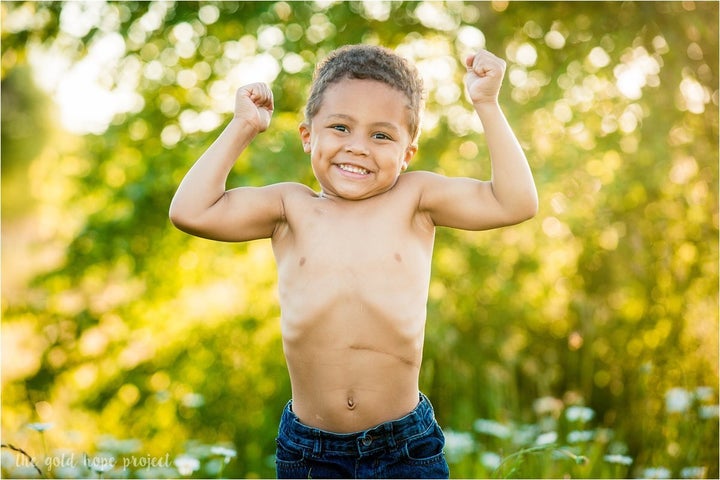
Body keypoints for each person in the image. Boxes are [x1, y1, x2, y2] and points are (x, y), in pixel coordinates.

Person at [169, 44, 538, 479]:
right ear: (308, 135)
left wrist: (487, 104)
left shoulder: (415, 199)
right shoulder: (290, 207)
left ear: (407, 153)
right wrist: (243, 127)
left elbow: (515, 202)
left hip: (404, 447)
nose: (358, 147)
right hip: (310, 451)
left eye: (381, 135)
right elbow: (191, 211)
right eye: (340, 127)